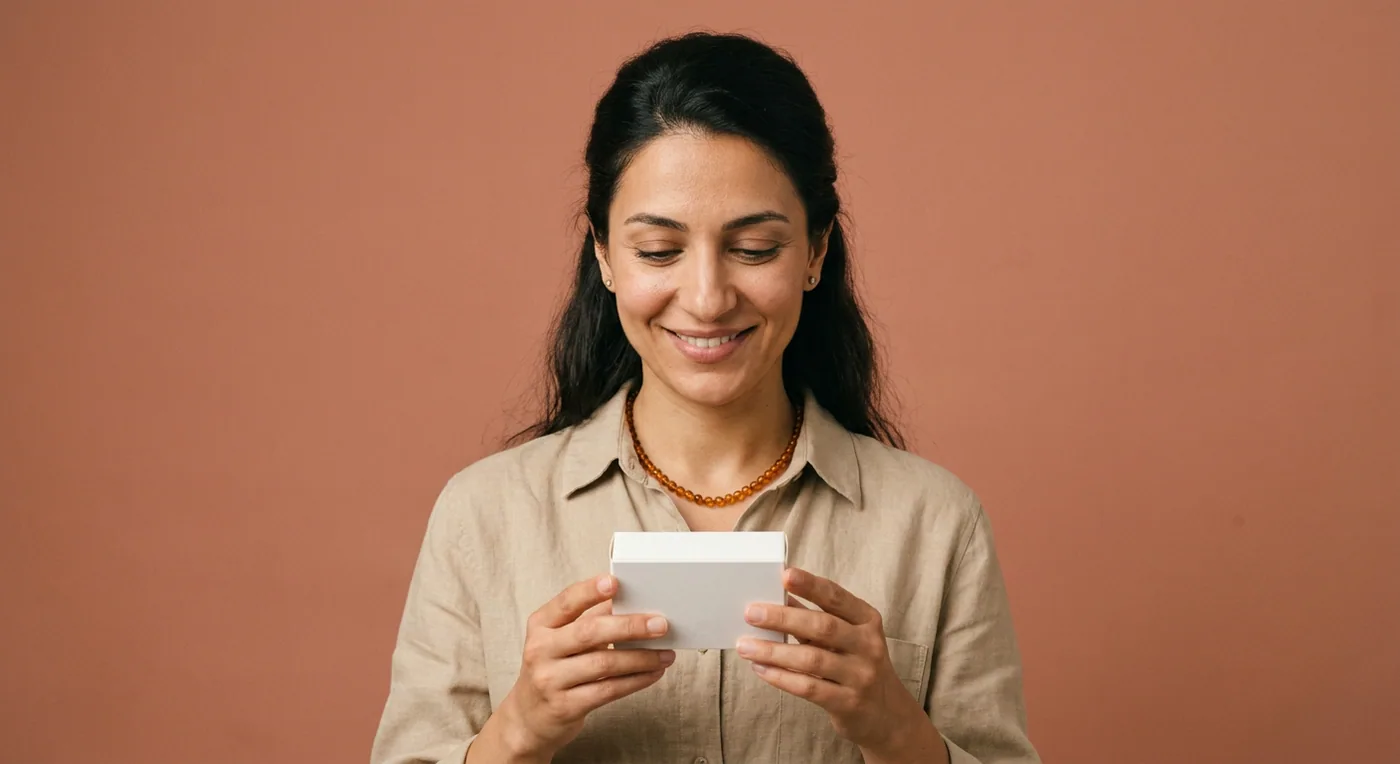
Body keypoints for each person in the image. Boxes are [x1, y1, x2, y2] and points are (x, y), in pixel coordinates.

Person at [371, 31, 1039, 764]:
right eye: (659, 250)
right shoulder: (484, 517)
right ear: (603, 254)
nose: (707, 297)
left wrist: (895, 728)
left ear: (816, 251)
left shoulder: (936, 524)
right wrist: (517, 731)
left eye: (755, 249)